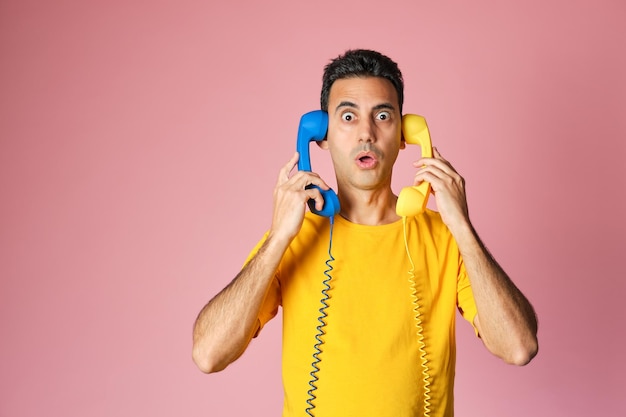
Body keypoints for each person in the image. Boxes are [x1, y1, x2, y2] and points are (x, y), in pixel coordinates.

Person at [192, 49, 538, 417]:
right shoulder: (291, 238)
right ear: (320, 136)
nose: (367, 133)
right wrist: (278, 238)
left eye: (383, 116)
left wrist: (463, 228)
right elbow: (208, 354)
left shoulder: (445, 238)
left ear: (406, 135)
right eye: (348, 116)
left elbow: (519, 348)